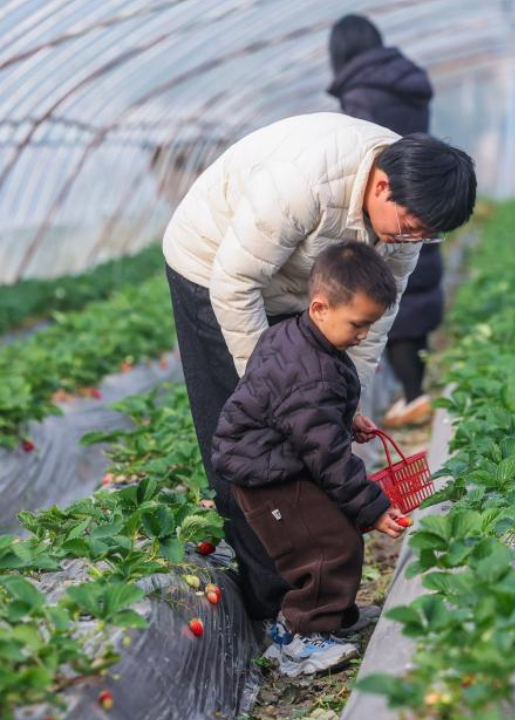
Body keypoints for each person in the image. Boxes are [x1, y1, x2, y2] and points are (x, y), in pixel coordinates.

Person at [161, 112, 475, 621]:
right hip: (215, 268)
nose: (413, 237)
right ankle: (276, 608)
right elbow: (235, 284)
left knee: (310, 425)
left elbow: (378, 315)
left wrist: (344, 401)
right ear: (382, 184)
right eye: (413, 225)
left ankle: (315, 589)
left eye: (429, 234)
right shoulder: (302, 182)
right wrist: (272, 388)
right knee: (249, 439)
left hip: (300, 281)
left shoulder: (407, 221)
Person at [212, 242, 409, 676]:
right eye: (357, 325)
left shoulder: (299, 338)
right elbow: (327, 455)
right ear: (320, 307)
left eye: (369, 325)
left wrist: (346, 416)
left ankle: (329, 620)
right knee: (328, 546)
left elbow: (310, 418)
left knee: (334, 537)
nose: (362, 336)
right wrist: (372, 507)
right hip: (267, 478)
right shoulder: (309, 372)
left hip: (278, 461)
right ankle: (301, 641)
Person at [328, 14, 442, 427]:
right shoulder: (408, 84)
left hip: (388, 207)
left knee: (387, 300)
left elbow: (361, 155)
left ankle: (411, 397)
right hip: (420, 199)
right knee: (411, 298)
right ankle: (414, 392)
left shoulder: (363, 94)